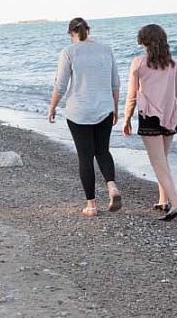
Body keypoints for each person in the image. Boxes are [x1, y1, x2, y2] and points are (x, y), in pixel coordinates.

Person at [48, 17, 122, 217]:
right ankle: (112, 186)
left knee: (85, 156)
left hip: (78, 111)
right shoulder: (106, 50)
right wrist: (115, 107)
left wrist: (52, 107)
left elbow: (61, 85)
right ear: (88, 30)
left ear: (71, 33)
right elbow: (115, 83)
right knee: (103, 151)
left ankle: (91, 205)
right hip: (104, 109)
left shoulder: (68, 52)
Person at [122, 24, 177, 221]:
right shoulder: (173, 64)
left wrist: (127, 119)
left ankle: (176, 202)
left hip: (149, 117)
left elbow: (132, 96)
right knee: (163, 160)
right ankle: (163, 200)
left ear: (144, 42)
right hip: (170, 116)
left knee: (158, 162)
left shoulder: (139, 63)